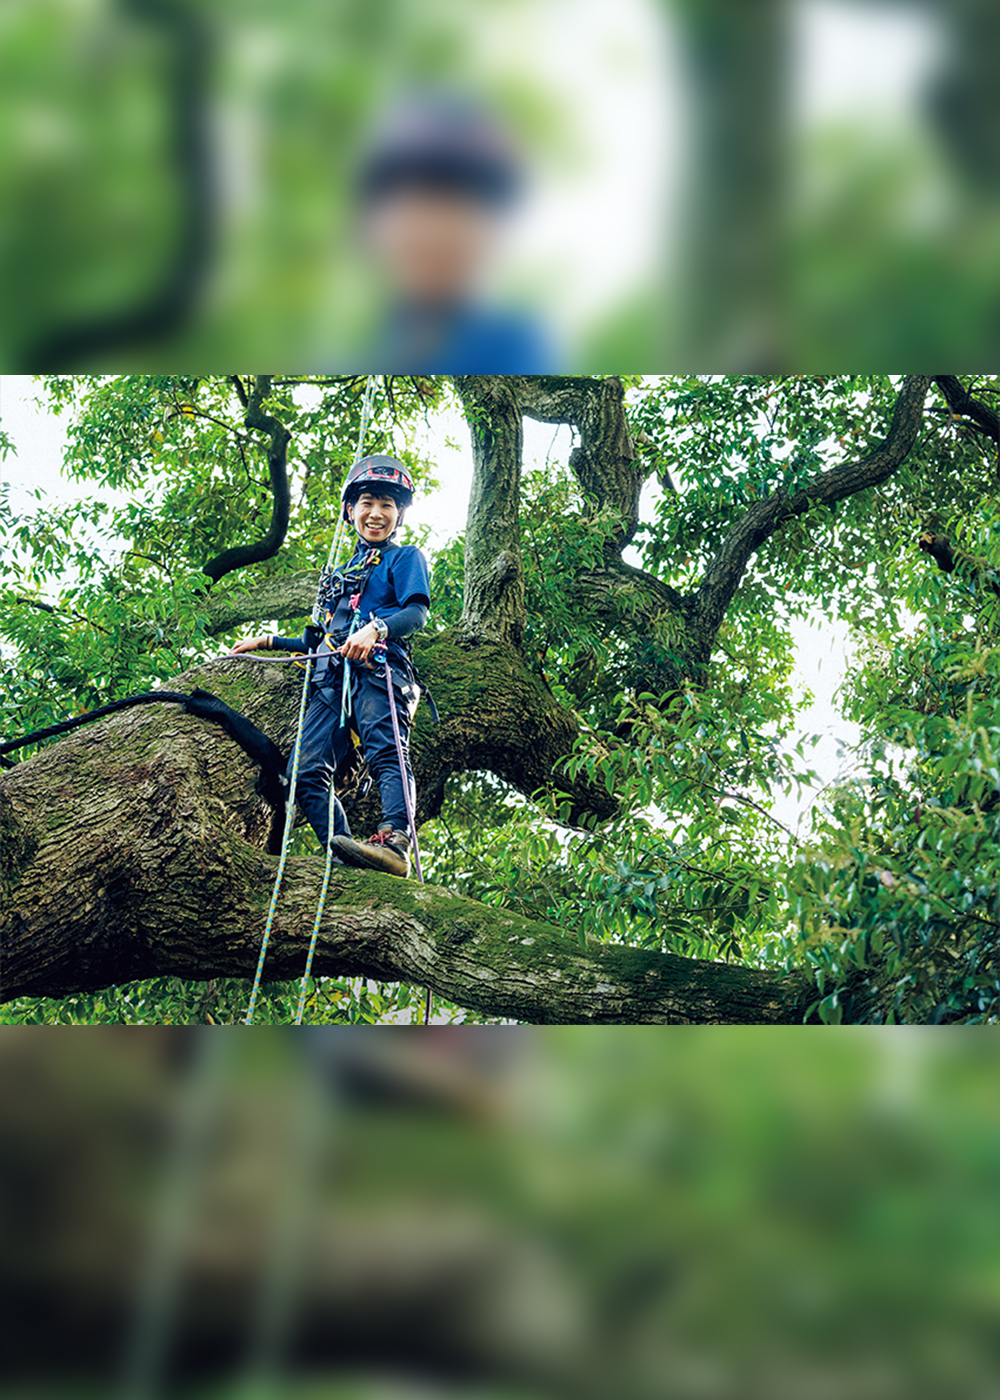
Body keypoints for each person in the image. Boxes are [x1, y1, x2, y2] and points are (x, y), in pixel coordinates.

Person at [231, 456, 429, 878]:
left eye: (388, 505)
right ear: (350, 510)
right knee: (302, 771)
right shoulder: (342, 574)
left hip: (379, 669)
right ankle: (344, 857)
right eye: (367, 503)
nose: (376, 513)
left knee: (386, 749)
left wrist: (376, 629)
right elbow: (321, 638)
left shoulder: (404, 558)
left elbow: (415, 614)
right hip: (330, 682)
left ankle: (395, 843)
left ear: (399, 515)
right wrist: (267, 641)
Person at [356, 91, 553, 372]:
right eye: (415, 197)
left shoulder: (518, 345)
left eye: (468, 197)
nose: (438, 228)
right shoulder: (361, 344)